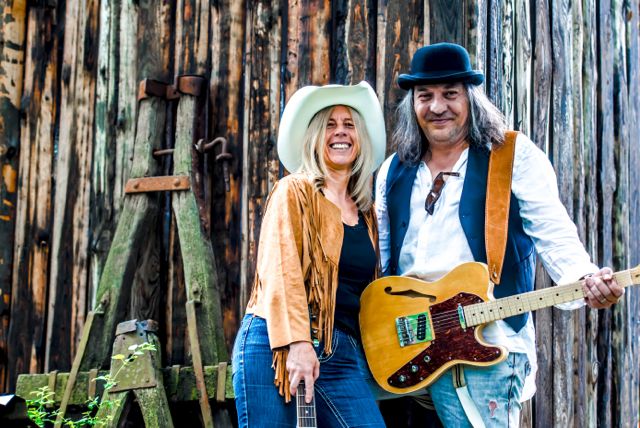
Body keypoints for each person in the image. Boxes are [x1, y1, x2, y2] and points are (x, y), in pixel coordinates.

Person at [374, 42, 625, 427]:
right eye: (425, 96)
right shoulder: (393, 169)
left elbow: (553, 230)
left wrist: (583, 277)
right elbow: (381, 257)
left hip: (488, 343)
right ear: (413, 104)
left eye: (450, 94)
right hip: (407, 347)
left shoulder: (511, 155)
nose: (437, 106)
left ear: (471, 99)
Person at [232, 81, 387, 427]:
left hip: (340, 351)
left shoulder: (366, 213)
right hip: (276, 344)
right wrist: (299, 343)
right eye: (329, 125)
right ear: (316, 137)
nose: (340, 132)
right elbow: (281, 270)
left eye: (349, 125)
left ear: (360, 139)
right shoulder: (294, 191)